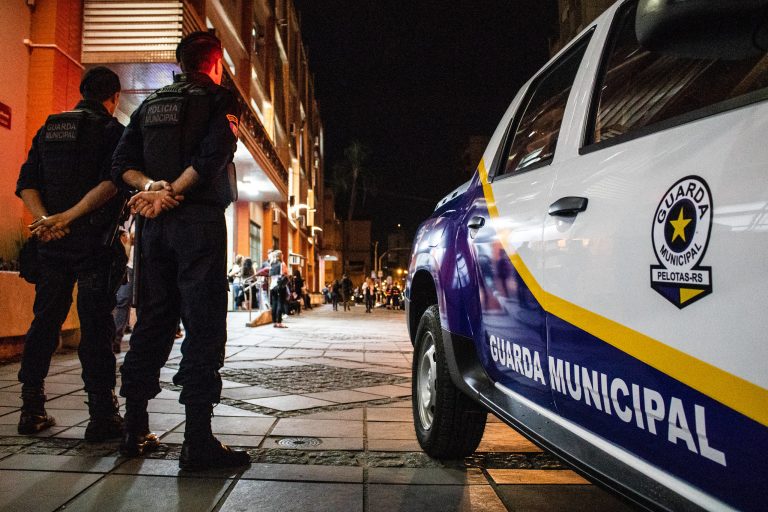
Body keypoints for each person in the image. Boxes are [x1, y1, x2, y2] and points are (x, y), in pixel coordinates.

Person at [111, 32, 249, 470]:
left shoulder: (150, 104)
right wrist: (172, 190)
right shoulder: (219, 98)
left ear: (180, 63)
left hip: (154, 225)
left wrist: (152, 188)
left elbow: (121, 165)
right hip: (198, 225)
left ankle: (134, 430)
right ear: (215, 63)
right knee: (203, 325)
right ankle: (197, 441)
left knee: (152, 323)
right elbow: (213, 155)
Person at [15, 67, 126, 441]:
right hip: (94, 244)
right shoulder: (111, 130)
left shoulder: (50, 127)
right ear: (114, 97)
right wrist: (69, 217)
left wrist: (46, 221)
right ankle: (102, 415)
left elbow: (27, 183)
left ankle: (31, 409)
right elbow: (112, 184)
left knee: (44, 322)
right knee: (96, 327)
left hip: (52, 244)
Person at [113, 217, 135, 353]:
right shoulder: (127, 218)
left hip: (146, 264)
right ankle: (115, 340)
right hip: (129, 264)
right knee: (122, 300)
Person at [269, 251, 288, 327]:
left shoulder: (271, 264)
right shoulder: (282, 264)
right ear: (280, 256)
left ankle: (274, 322)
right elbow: (286, 274)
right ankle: (279, 322)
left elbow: (270, 276)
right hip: (280, 286)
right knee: (280, 303)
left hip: (272, 286)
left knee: (274, 303)